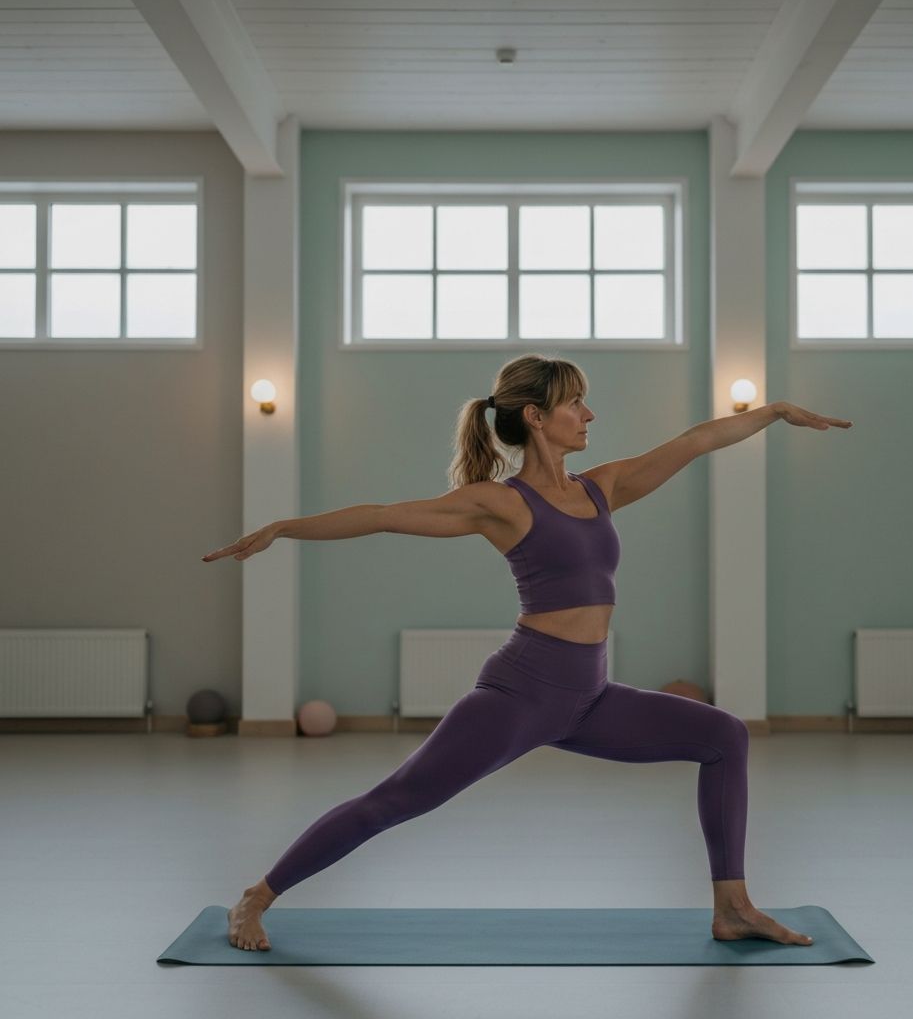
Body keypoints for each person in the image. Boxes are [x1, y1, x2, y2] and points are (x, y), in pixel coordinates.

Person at [203, 353, 852, 952]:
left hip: (590, 697)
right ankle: (255, 898)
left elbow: (694, 443)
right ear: (536, 417)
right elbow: (382, 514)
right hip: (521, 695)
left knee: (724, 736)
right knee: (397, 799)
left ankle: (733, 907)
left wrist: (771, 413)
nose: (590, 415)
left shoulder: (602, 488)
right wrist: (284, 528)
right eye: (576, 404)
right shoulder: (501, 503)